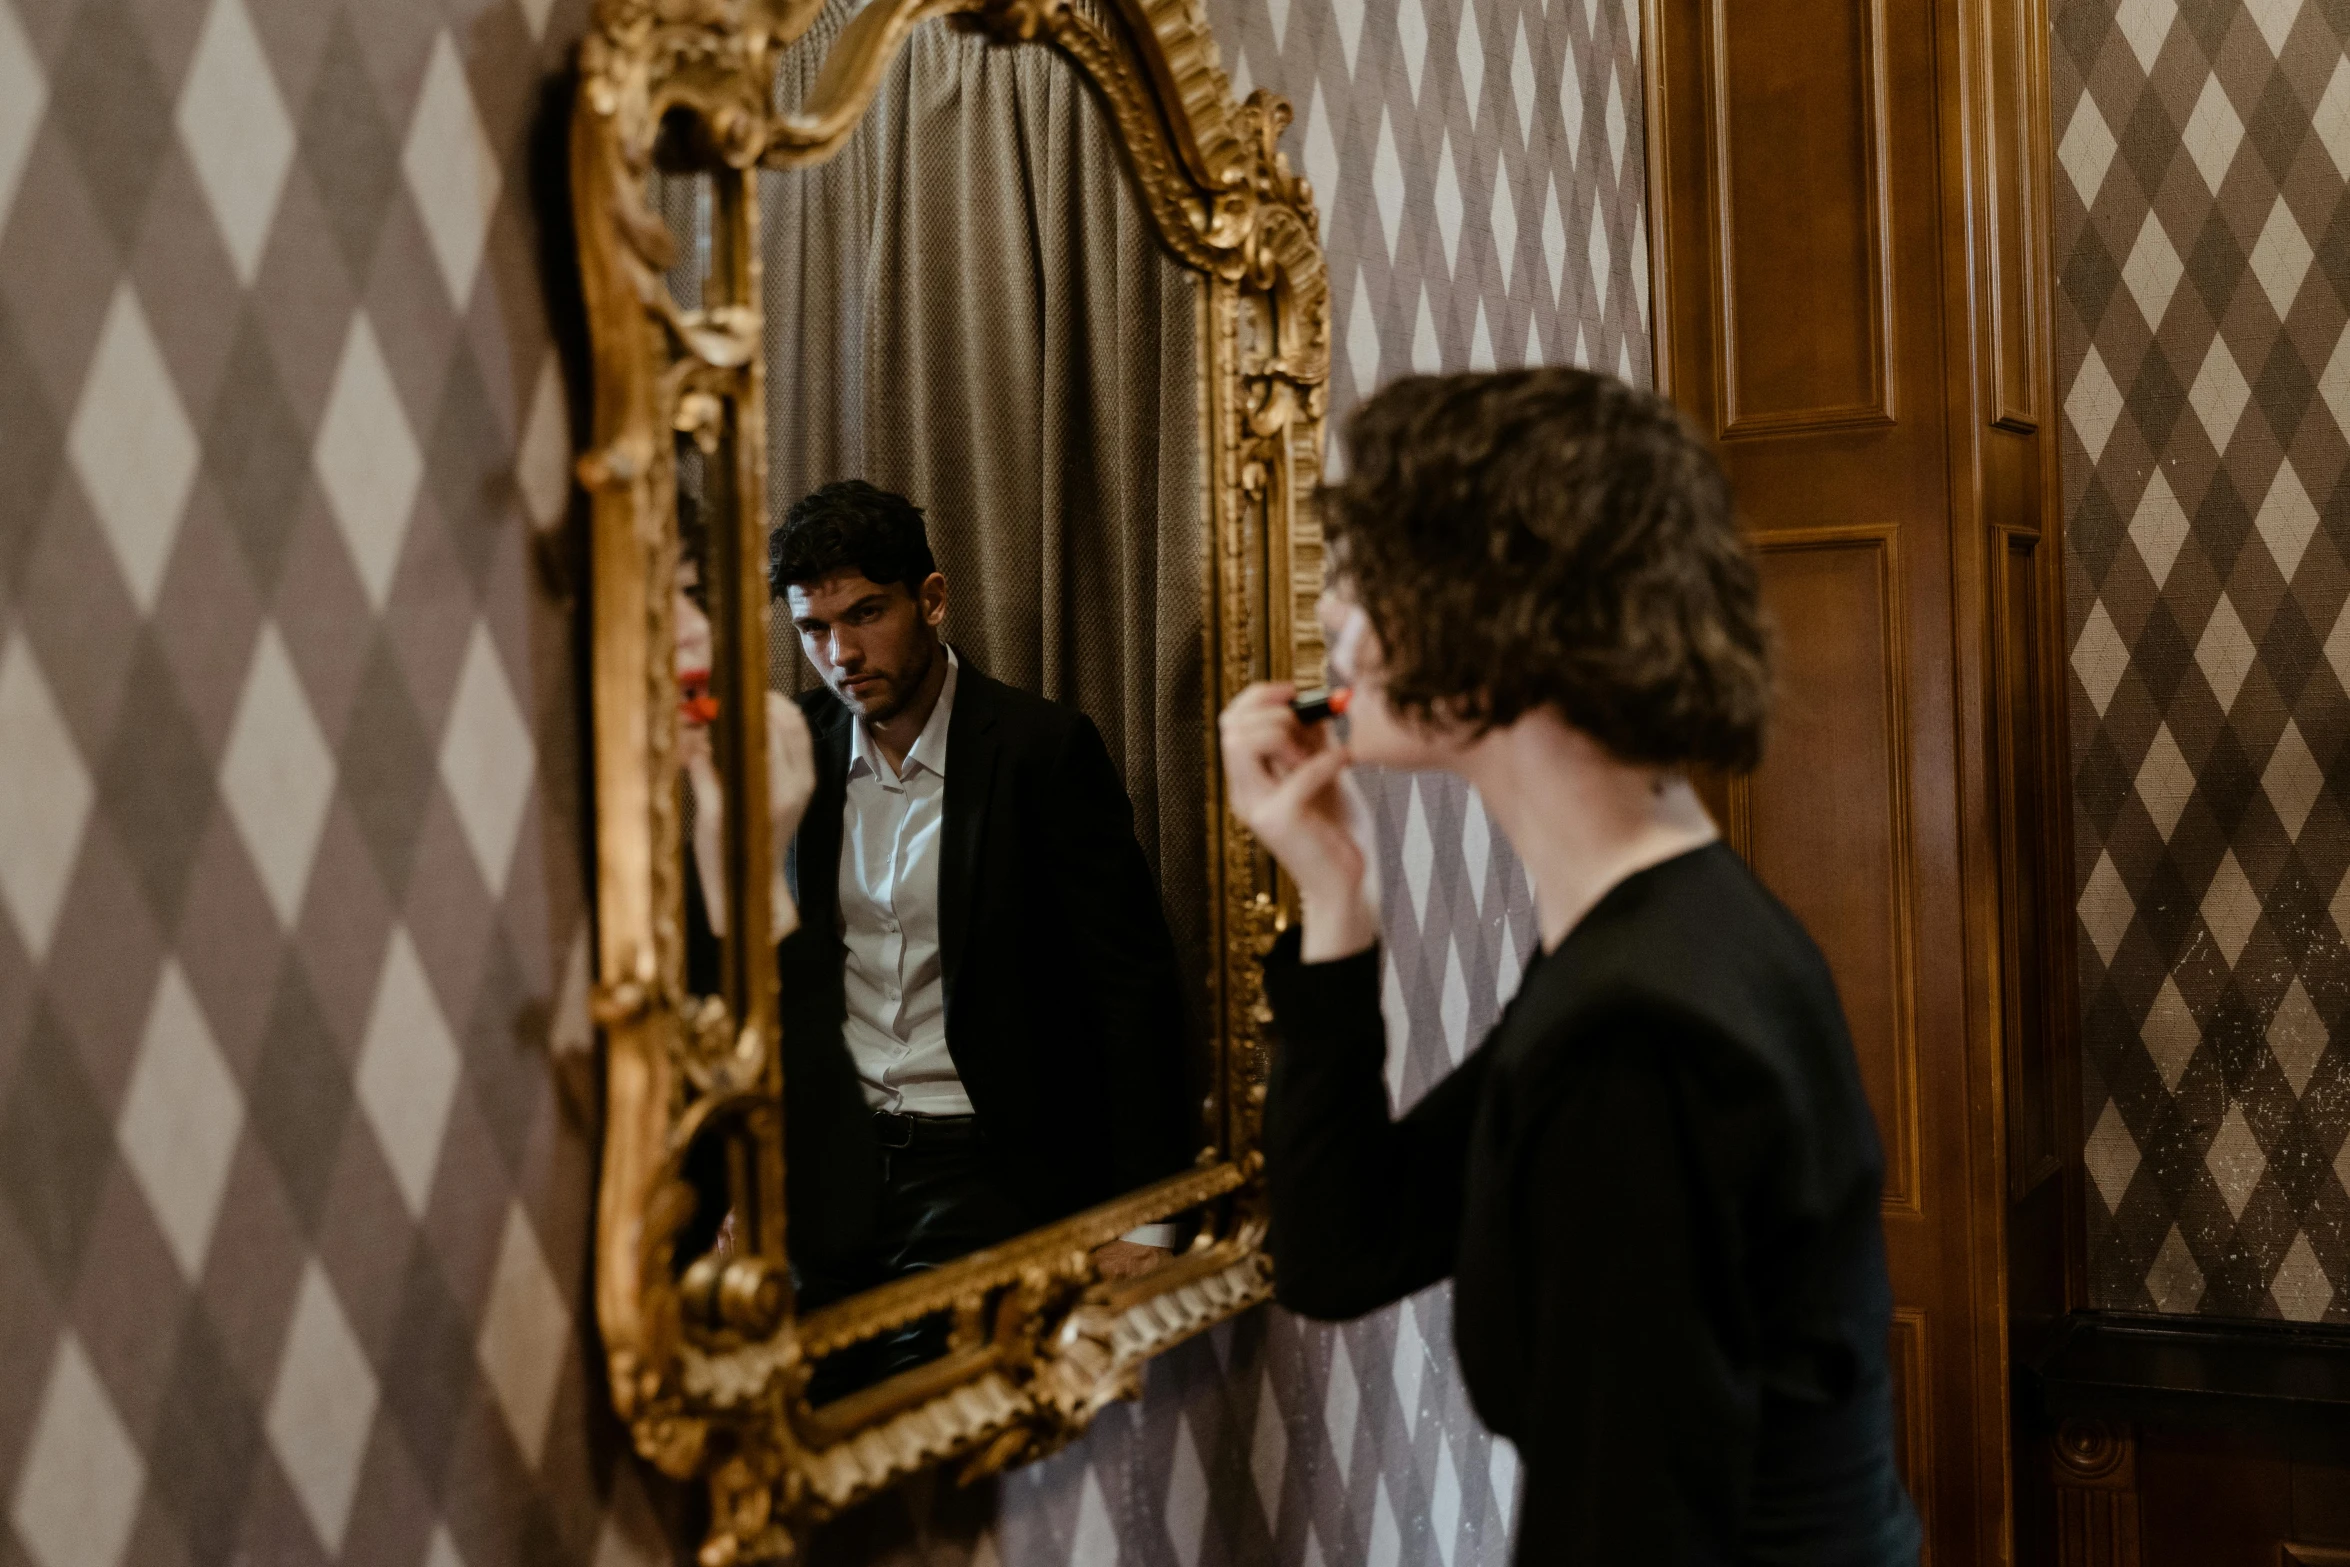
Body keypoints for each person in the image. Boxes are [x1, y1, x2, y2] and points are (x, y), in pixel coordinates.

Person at [1220, 369, 1921, 1564]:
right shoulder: (1654, 935)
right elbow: (1342, 1249)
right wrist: (1333, 896)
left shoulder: (1638, 1026)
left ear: (1504, 630)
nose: (1333, 612)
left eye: (1372, 573)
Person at [768, 480, 1195, 1367]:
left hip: (982, 1162)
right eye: (814, 629)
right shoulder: (792, 751)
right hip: (825, 1161)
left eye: (866, 614)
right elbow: (765, 979)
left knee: (930, 1410)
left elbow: (1133, 988)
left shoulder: (1041, 751)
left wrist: (1147, 1218)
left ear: (931, 598)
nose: (841, 652)